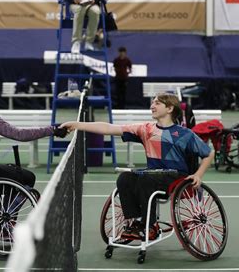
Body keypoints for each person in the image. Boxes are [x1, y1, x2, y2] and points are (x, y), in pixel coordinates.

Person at [61, 93, 214, 240]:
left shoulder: (185, 134)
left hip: (176, 177)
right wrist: (77, 125)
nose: (152, 105)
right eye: (152, 102)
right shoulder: (145, 129)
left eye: (157, 103)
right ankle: (136, 222)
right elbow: (109, 128)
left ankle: (149, 225)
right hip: (152, 174)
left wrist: (198, 175)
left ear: (170, 109)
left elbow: (208, 153)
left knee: (146, 179)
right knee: (125, 178)